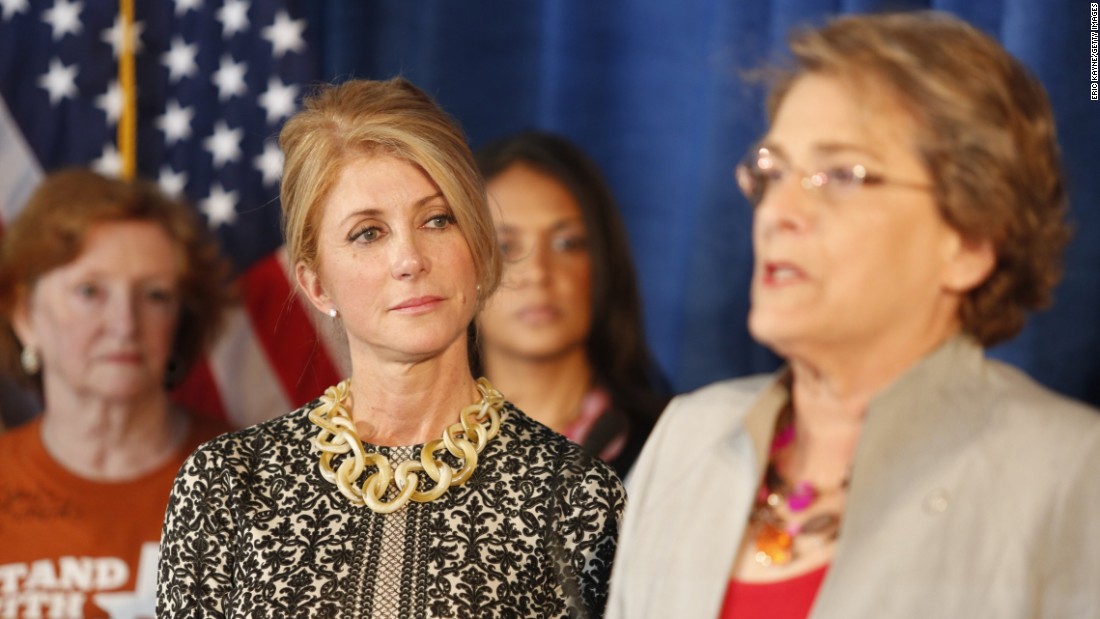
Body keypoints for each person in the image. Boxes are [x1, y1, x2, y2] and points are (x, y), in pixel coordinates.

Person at [607, 11, 1100, 619]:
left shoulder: (1072, 473)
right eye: (772, 171)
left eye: (840, 175)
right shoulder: (688, 438)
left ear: (971, 242)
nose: (779, 210)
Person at [157, 78, 624, 618]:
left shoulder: (576, 496)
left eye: (437, 220)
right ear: (316, 285)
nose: (410, 259)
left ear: (476, 246)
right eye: (368, 233)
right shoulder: (227, 485)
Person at [0, 169, 233, 617]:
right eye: (90, 292)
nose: (125, 324)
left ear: (179, 320)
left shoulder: (249, 485)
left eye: (155, 295)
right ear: (27, 316)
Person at [474, 131, 668, 477]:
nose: (537, 272)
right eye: (505, 247)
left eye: (567, 243)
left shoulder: (672, 444)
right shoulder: (415, 452)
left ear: (604, 262)